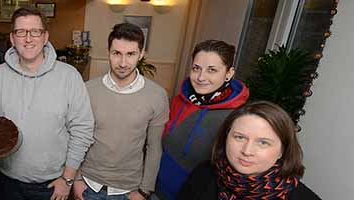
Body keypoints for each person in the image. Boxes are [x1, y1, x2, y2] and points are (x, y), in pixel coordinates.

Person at [0, 7, 95, 200]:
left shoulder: (68, 77)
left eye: (35, 31)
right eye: (21, 32)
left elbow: (83, 131)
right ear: (12, 38)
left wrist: (67, 179)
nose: (28, 38)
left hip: (52, 186)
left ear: (45, 36)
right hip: (6, 182)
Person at [71, 23, 169, 200]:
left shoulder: (157, 95)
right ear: (108, 51)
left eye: (130, 54)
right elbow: (76, 136)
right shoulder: (87, 90)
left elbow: (154, 147)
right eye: (117, 53)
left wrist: (145, 190)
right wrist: (76, 178)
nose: (123, 63)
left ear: (141, 54)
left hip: (129, 189)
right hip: (88, 184)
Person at [155, 40, 250, 200]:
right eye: (196, 68)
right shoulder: (179, 99)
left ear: (229, 73)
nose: (200, 77)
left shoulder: (238, 117)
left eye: (211, 70)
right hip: (157, 190)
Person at [177, 101, 320, 199]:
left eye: (263, 142)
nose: (247, 151)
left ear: (282, 151)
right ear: (226, 137)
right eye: (239, 137)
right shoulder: (203, 174)